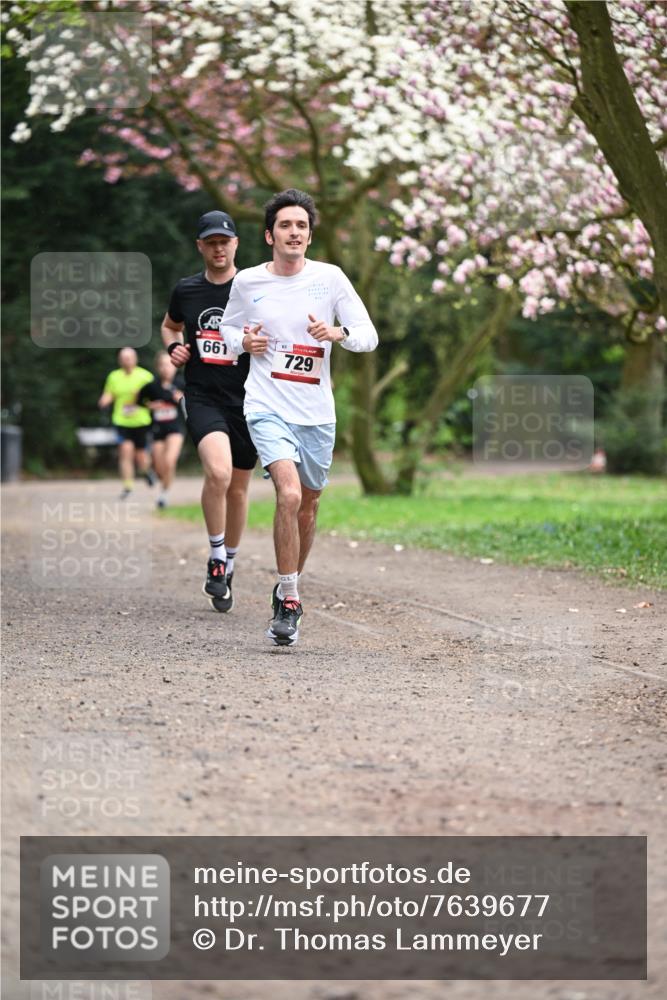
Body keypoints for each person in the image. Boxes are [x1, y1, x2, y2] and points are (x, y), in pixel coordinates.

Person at [221, 188, 378, 646]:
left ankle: (287, 582)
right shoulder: (248, 282)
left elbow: (367, 335)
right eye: (286, 225)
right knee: (287, 494)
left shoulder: (330, 279)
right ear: (269, 235)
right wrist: (242, 344)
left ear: (310, 237)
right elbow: (227, 328)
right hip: (266, 404)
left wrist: (338, 332)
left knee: (308, 506)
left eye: (302, 226)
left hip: (316, 413)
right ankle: (289, 600)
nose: (294, 232)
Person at [161, 210, 257, 613]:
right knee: (217, 472)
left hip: (250, 400)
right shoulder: (187, 290)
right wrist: (174, 348)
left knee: (238, 487)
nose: (219, 248)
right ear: (201, 246)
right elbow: (170, 326)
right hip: (201, 395)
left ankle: (229, 563)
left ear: (236, 244)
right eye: (211, 242)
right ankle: (216, 556)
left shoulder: (255, 288)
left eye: (225, 241)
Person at [98, 346, 155, 500]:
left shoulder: (146, 376)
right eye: (123, 358)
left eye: (128, 358)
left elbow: (154, 398)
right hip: (121, 420)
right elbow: (109, 393)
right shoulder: (114, 376)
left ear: (135, 359)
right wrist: (104, 400)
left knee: (141, 456)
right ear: (119, 360)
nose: (126, 361)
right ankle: (128, 486)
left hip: (141, 421)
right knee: (125, 451)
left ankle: (145, 471)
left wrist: (142, 400)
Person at [137, 351, 186, 509]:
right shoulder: (152, 387)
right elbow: (139, 401)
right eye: (163, 365)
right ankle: (157, 478)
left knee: (170, 461)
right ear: (158, 367)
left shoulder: (182, 383)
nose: (166, 368)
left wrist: (183, 399)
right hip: (158, 430)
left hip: (176, 429)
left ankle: (164, 495)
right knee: (159, 467)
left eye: (170, 364)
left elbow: (195, 401)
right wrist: (150, 406)